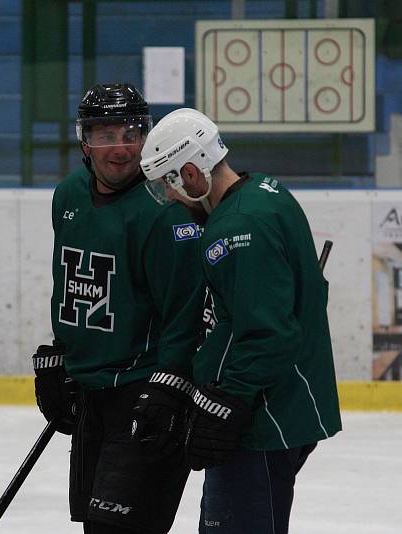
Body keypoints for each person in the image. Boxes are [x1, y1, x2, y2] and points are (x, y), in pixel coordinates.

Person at [139, 107, 342, 534]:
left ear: (190, 174)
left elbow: (267, 333)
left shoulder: (236, 228)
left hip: (260, 419)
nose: (169, 199)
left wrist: (226, 402)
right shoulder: (267, 192)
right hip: (274, 409)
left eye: (167, 186)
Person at [32, 83, 205, 534]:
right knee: (95, 526)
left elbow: (185, 315)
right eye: (105, 135)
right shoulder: (68, 195)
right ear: (84, 141)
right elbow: (68, 281)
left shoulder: (164, 210)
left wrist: (168, 389)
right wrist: (62, 357)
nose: (121, 148)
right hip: (92, 391)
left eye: (131, 132)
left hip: (143, 389)